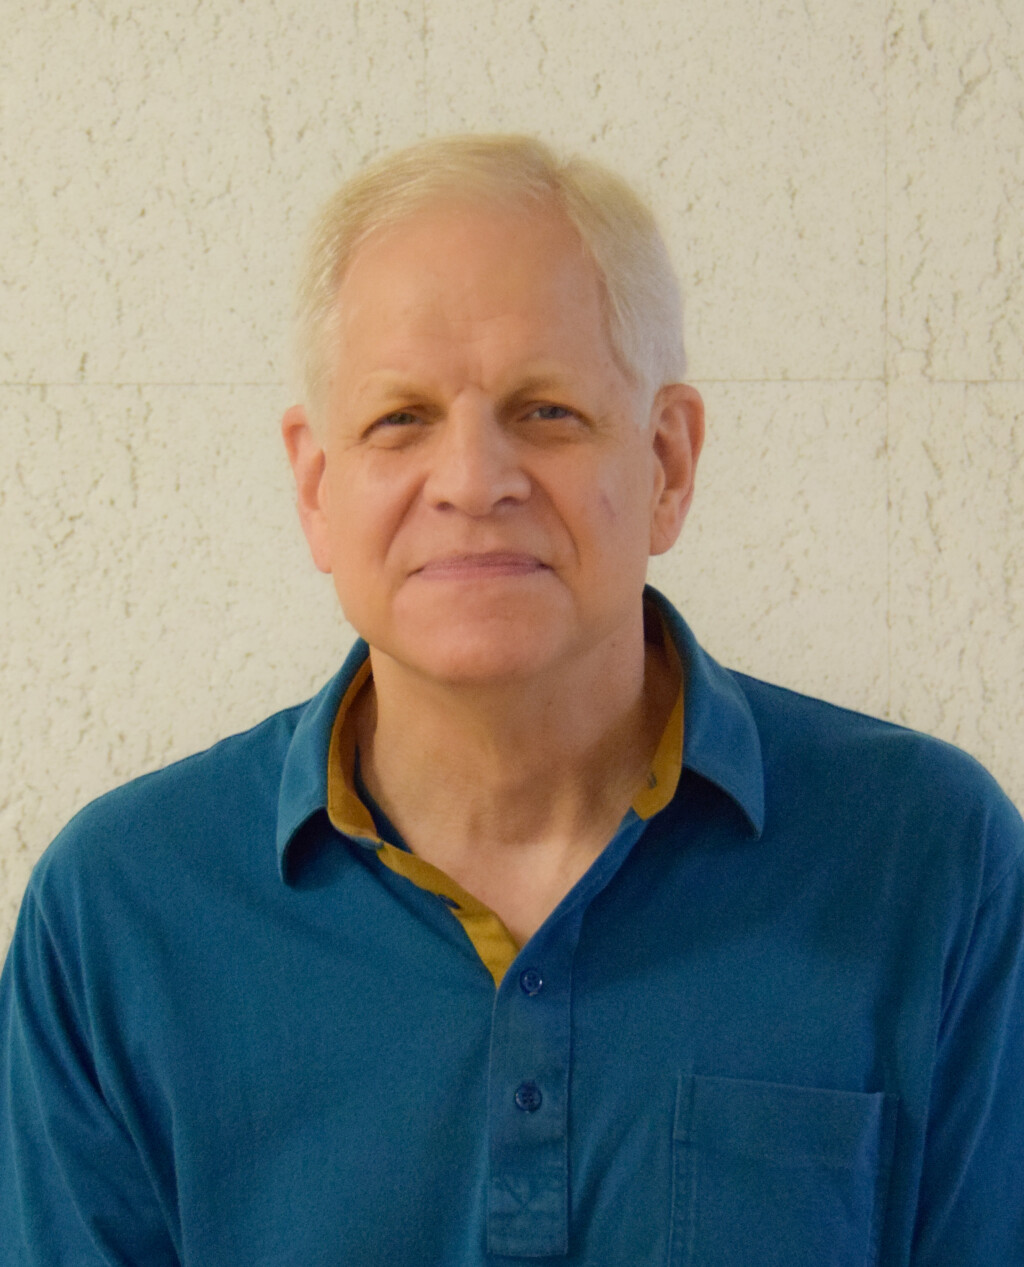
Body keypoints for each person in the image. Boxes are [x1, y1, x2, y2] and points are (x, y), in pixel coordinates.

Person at [1, 134, 1022, 1266]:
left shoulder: (927, 859)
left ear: (669, 463)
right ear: (317, 486)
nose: (474, 481)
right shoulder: (121, 910)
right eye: (400, 418)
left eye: (546, 411)